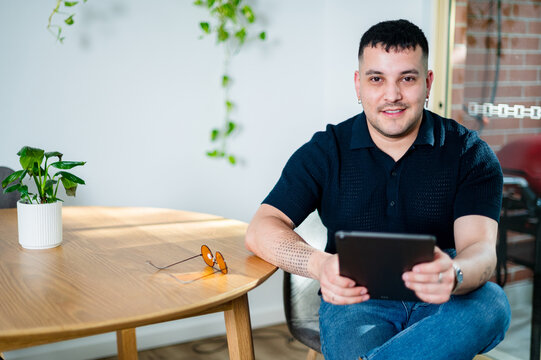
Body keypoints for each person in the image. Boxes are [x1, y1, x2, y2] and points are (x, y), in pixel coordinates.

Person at [245, 19, 511, 360]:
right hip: (356, 300)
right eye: (376, 79)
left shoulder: (469, 153)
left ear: (428, 83)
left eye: (407, 78)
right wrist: (320, 265)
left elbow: (481, 251)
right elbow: (261, 228)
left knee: (491, 304)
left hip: (446, 299)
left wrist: (455, 273)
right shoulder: (327, 150)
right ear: (358, 85)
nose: (392, 95)